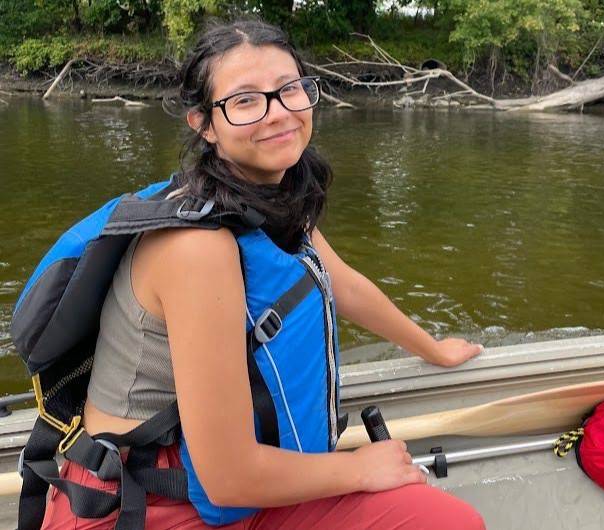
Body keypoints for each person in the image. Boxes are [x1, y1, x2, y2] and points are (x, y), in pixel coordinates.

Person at [40, 18, 486, 530]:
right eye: (246, 100)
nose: (279, 114)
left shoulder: (268, 202)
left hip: (239, 481)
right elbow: (228, 477)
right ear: (204, 124)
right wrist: (357, 468)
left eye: (289, 89)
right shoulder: (196, 248)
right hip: (146, 500)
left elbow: (342, 285)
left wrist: (432, 348)